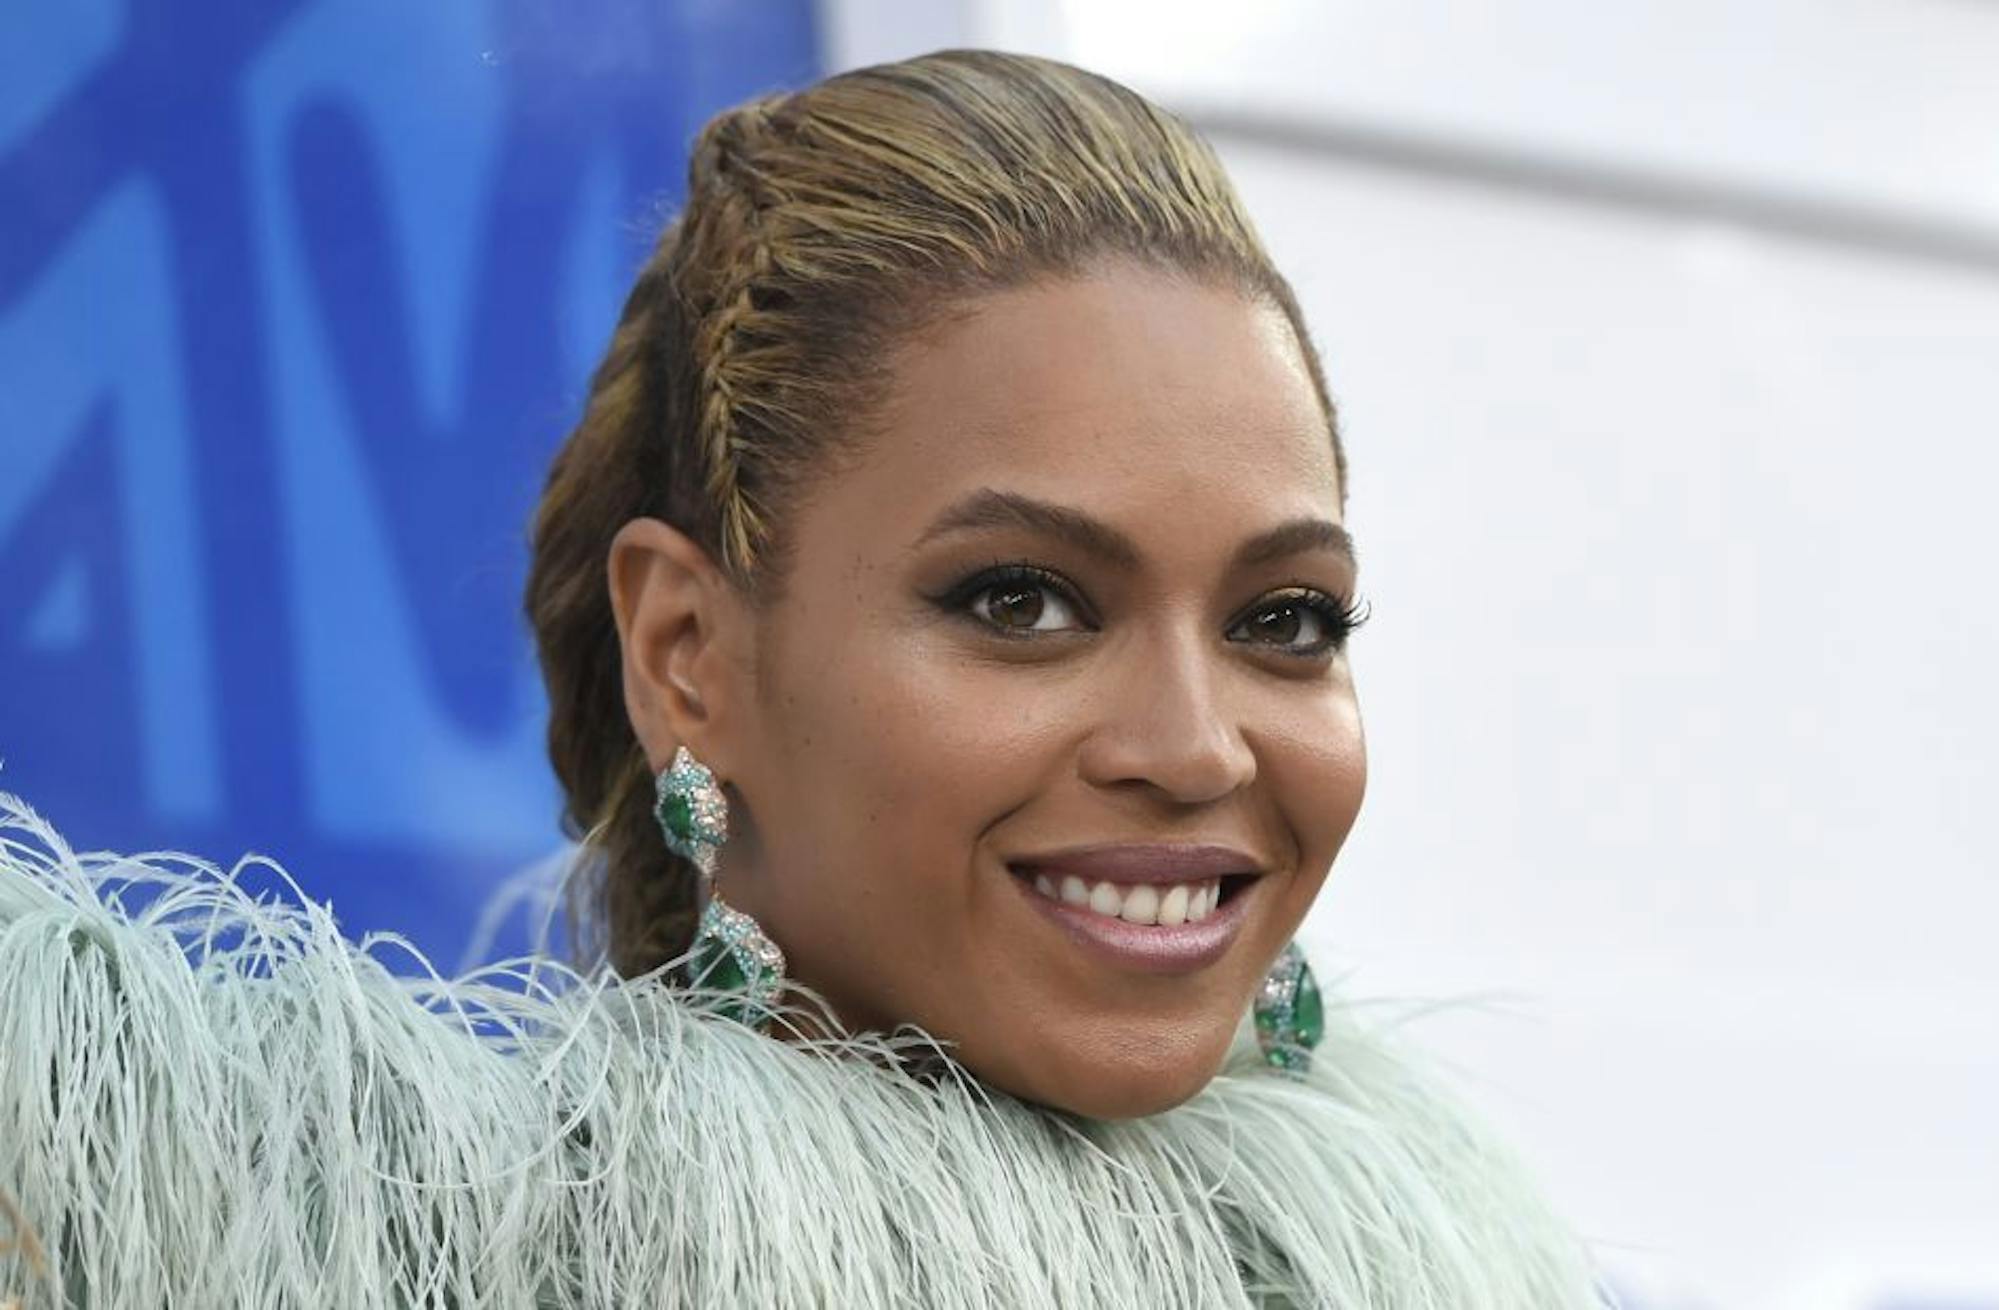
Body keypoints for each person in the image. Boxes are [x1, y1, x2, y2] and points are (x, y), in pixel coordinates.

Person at [0, 50, 1602, 1306]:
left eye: (1288, 619)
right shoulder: (248, 1233)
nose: (1194, 747)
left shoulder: (1460, 1268)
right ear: (687, 656)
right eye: (1024, 598)